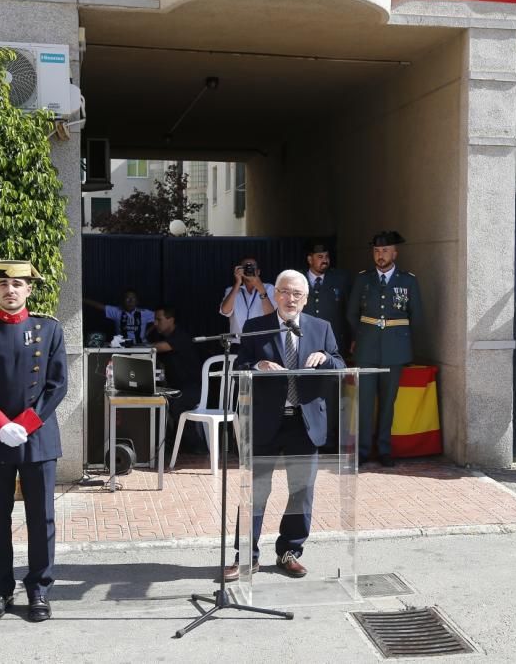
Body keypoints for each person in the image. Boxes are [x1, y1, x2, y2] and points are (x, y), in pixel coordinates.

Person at [0, 259, 68, 623]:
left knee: (41, 518)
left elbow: (57, 385)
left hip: (36, 437)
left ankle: (39, 589)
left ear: (29, 289)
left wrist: (24, 423)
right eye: (3, 284)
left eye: (18, 283)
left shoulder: (49, 329)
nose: (10, 289)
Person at [224, 269, 345, 581]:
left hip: (305, 424)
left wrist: (325, 359)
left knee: (301, 492)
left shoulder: (321, 328)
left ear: (305, 300)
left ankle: (289, 551)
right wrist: (257, 365)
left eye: (297, 294)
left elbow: (340, 363)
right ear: (274, 294)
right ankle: (246, 556)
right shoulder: (256, 327)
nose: (290, 299)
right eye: (285, 292)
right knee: (256, 490)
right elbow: (240, 366)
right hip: (266, 422)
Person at [347, 230, 423, 467]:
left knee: (388, 402)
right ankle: (362, 450)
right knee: (365, 402)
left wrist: (404, 343)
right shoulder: (363, 279)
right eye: (377, 251)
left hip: (395, 350)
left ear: (395, 253)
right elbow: (351, 313)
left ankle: (384, 449)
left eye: (385, 251)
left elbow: (417, 316)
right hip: (367, 348)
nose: (380, 256)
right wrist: (357, 337)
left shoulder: (408, 280)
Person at [147, 305, 203, 452]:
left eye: (159, 319)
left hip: (193, 388)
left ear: (171, 320)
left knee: (175, 404)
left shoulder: (180, 335)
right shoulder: (161, 337)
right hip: (175, 387)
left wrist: (135, 346)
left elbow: (158, 348)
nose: (155, 323)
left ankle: (195, 446)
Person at [300, 240, 351, 355]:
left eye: (327, 256)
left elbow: (349, 310)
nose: (325, 260)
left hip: (333, 340)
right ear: (310, 259)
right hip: (305, 340)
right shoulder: (298, 278)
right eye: (320, 257)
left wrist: (352, 338)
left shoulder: (341, 278)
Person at [219, 256, 275, 344]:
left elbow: (271, 315)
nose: (249, 270)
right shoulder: (231, 290)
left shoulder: (269, 288)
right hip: (238, 343)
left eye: (252, 268)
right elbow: (225, 311)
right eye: (246, 268)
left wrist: (260, 288)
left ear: (258, 272)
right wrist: (238, 282)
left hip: (262, 342)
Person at [84, 288, 154, 344]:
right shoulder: (117, 311)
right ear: (123, 301)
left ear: (137, 301)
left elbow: (160, 318)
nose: (130, 301)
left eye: (133, 298)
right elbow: (99, 306)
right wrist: (81, 299)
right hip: (122, 347)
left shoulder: (144, 313)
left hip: (141, 346)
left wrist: (148, 331)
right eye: (127, 298)